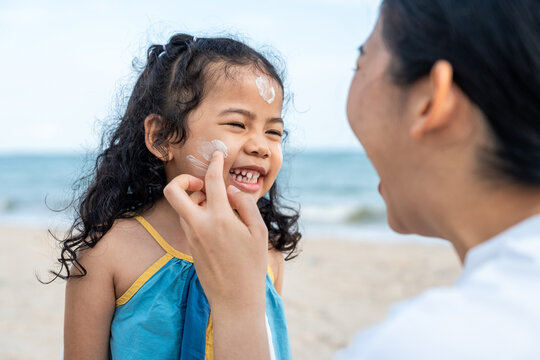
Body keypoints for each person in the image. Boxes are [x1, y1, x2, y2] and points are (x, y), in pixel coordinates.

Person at [163, 1, 540, 359]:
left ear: (430, 100)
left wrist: (238, 307)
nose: (261, 146)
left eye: (360, 60)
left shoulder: (428, 346)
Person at [56, 33, 300, 359]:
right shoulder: (106, 254)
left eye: (273, 132)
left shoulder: (266, 252)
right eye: (238, 124)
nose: (260, 146)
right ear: (162, 138)